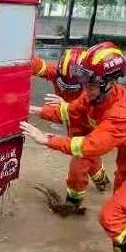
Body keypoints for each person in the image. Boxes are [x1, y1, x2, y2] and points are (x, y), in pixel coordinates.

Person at [22, 42, 126, 252]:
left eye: (89, 83)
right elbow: (69, 112)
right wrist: (36, 110)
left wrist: (47, 139)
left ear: (109, 82)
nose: (84, 87)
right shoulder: (94, 95)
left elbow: (90, 147)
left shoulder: (121, 113)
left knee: (111, 216)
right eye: (83, 80)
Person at [31, 49, 111, 211]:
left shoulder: (95, 90)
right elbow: (35, 65)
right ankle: (105, 185)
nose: (68, 91)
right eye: (64, 85)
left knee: (77, 169)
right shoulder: (58, 72)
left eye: (73, 88)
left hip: (90, 130)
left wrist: (66, 107)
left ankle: (73, 204)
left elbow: (90, 117)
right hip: (73, 127)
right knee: (92, 160)